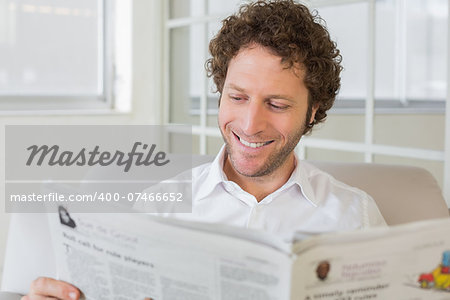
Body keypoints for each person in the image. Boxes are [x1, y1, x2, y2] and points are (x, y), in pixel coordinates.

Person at [24, 0, 386, 298]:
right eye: (237, 97)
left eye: (276, 104)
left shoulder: (355, 216)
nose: (249, 124)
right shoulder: (158, 209)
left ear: (313, 110)